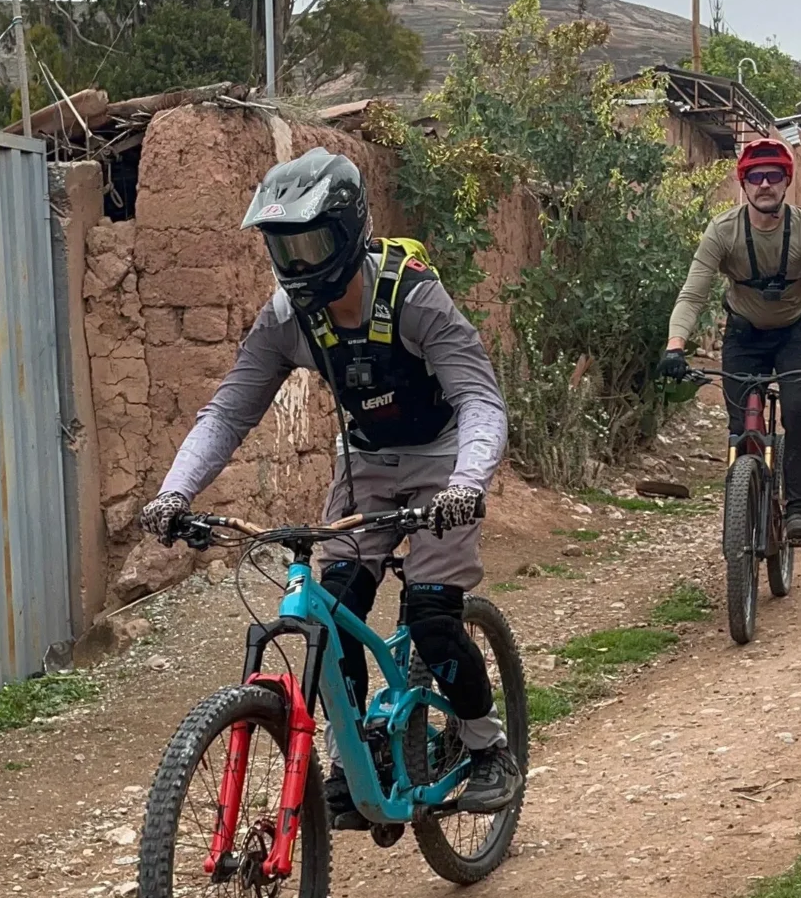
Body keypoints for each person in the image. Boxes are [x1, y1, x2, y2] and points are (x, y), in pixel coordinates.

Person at [138, 147, 523, 821]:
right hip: (367, 464)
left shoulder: (413, 297)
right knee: (333, 609)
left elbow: (481, 402)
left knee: (433, 615)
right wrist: (175, 493)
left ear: (348, 235)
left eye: (312, 243)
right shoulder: (287, 318)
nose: (299, 265)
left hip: (443, 456)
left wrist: (466, 481)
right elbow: (230, 410)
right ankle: (356, 760)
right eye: (283, 250)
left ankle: (487, 746)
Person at [657, 135, 801, 546]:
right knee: (738, 423)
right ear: (743, 184)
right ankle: (742, 508)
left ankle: (797, 509)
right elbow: (693, 293)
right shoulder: (723, 231)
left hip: (798, 330)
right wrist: (675, 345)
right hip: (745, 333)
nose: (765, 184)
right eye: (755, 177)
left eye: (774, 176)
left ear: (786, 182)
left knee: (798, 409)